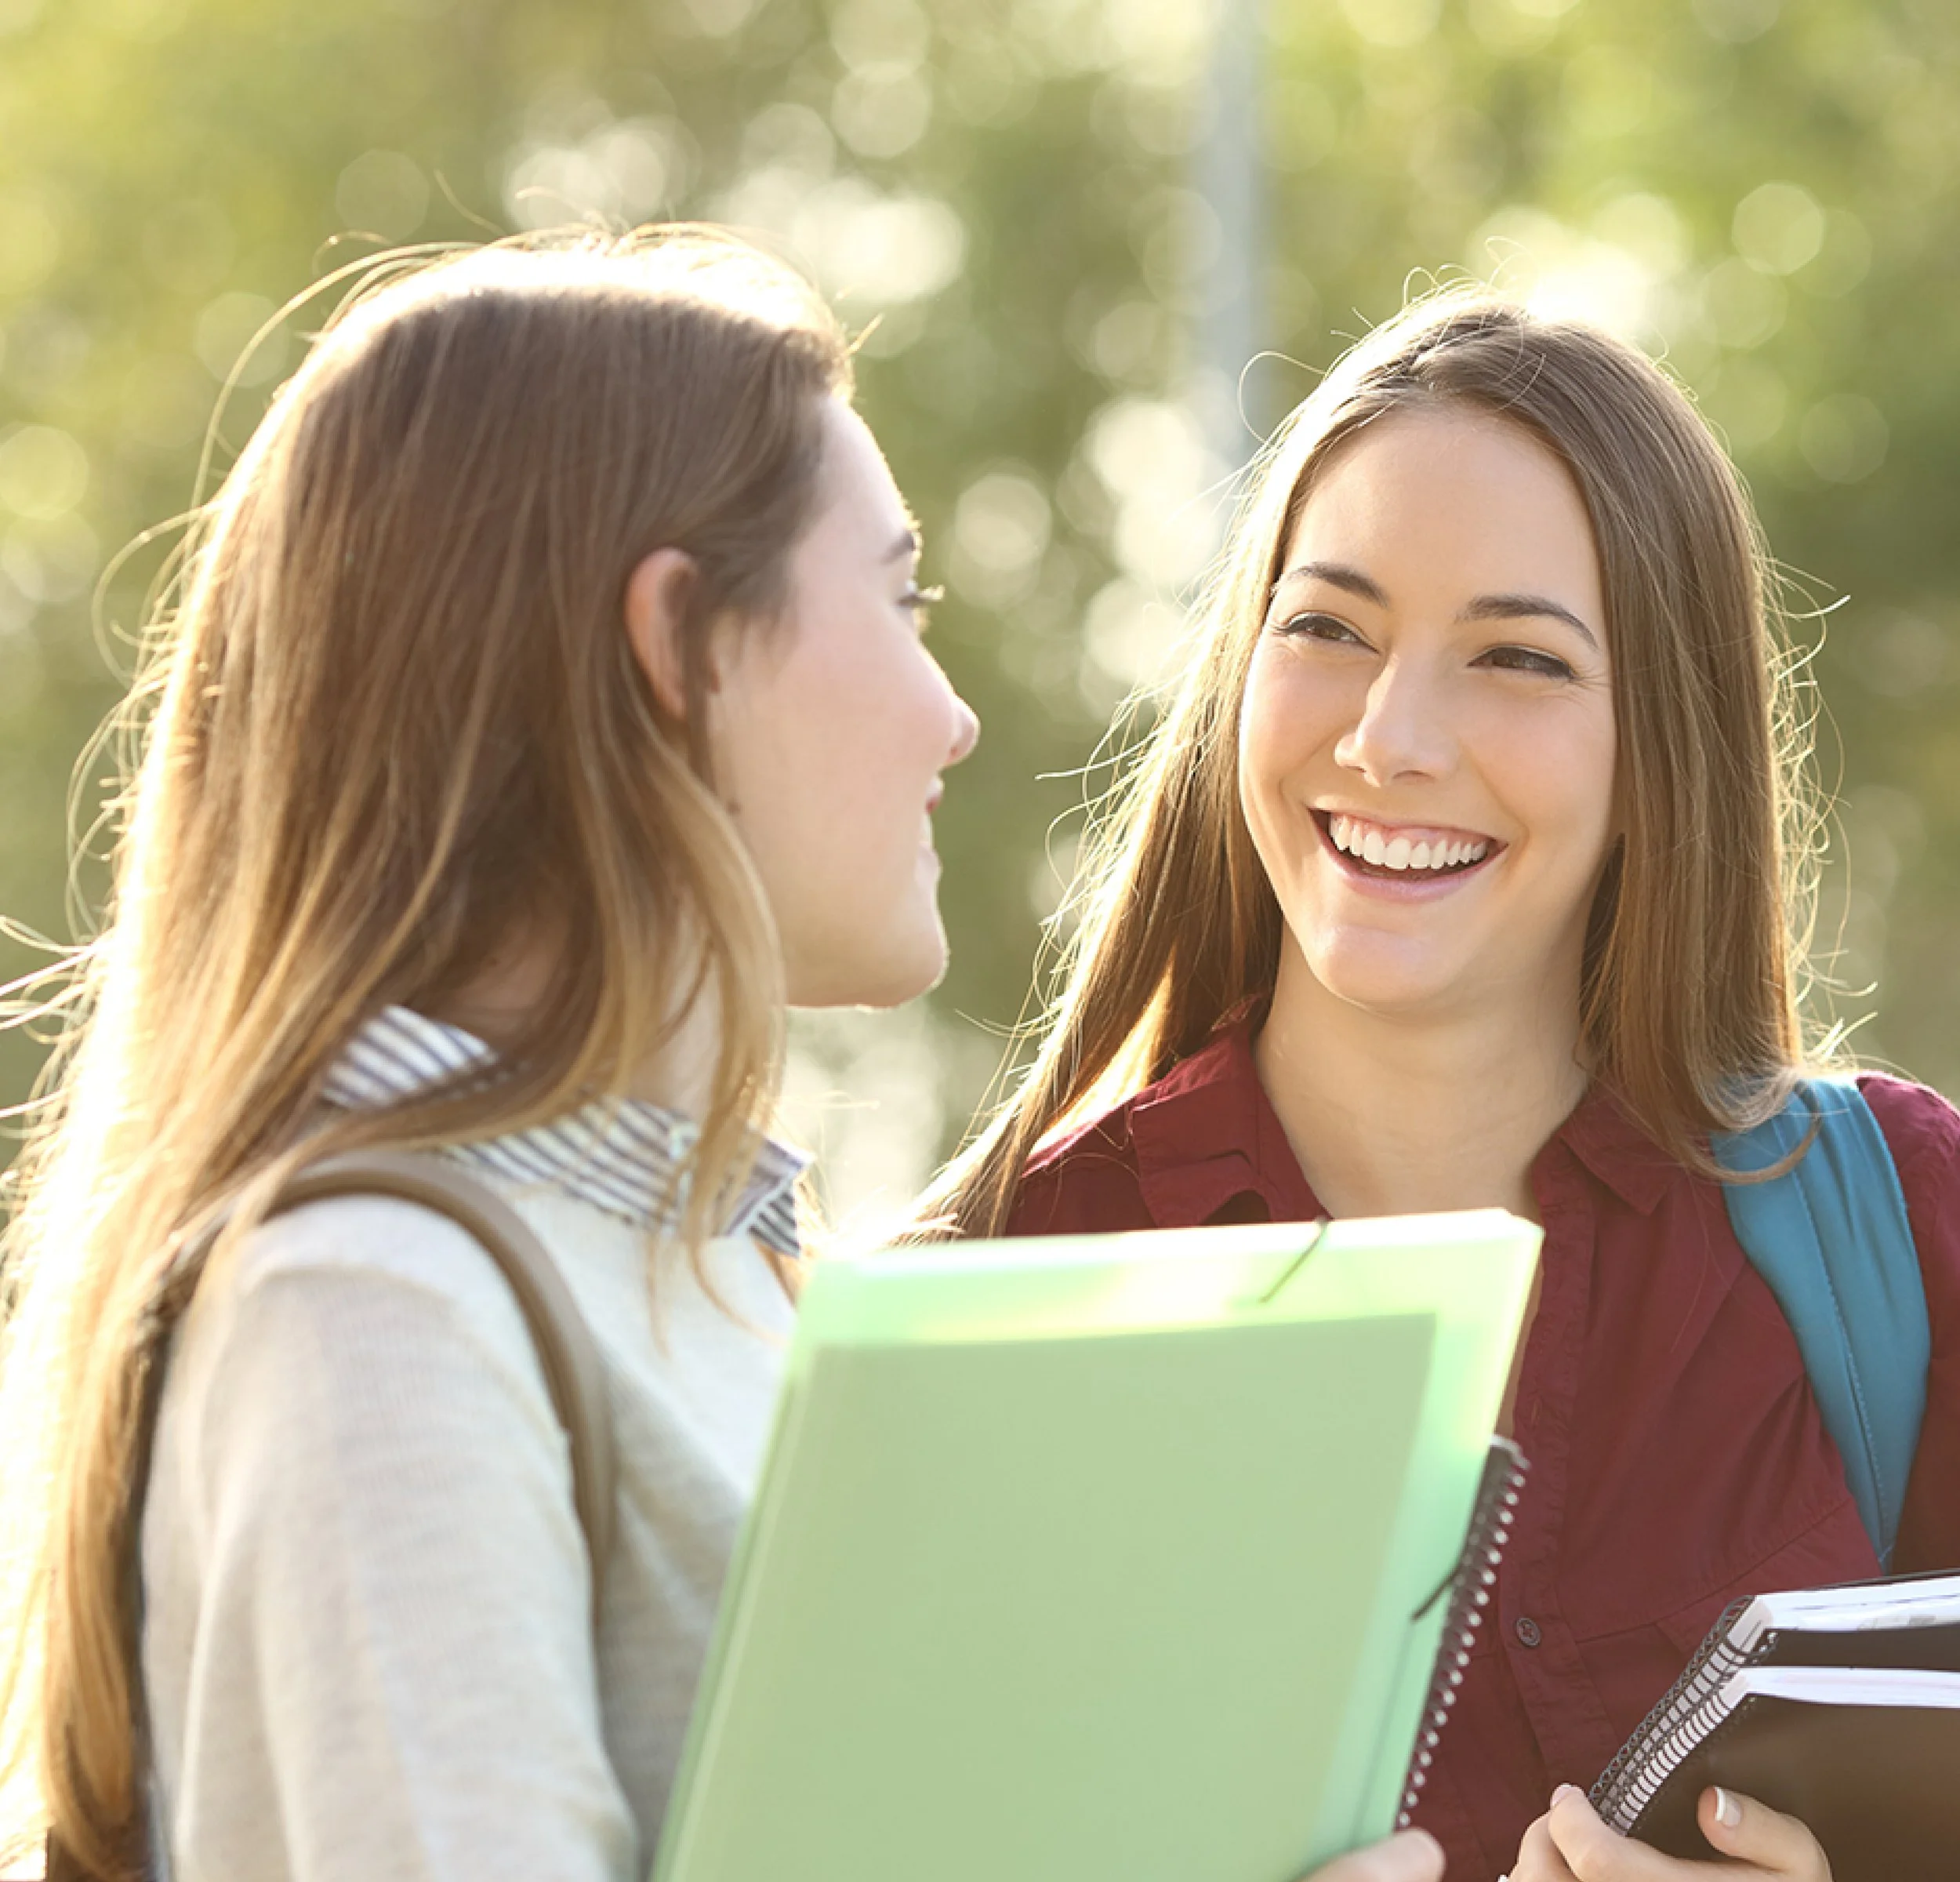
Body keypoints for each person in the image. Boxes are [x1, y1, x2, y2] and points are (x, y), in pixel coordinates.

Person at [0, 231, 1441, 1882]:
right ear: (680, 647)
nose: (947, 713)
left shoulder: (716, 1276)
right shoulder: (375, 1307)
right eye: (899, 600)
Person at [919, 290, 1960, 1880]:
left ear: (1657, 747)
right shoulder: (995, 1298)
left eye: (1516, 659)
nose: (1391, 738)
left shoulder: (1900, 1228)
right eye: (1326, 628)